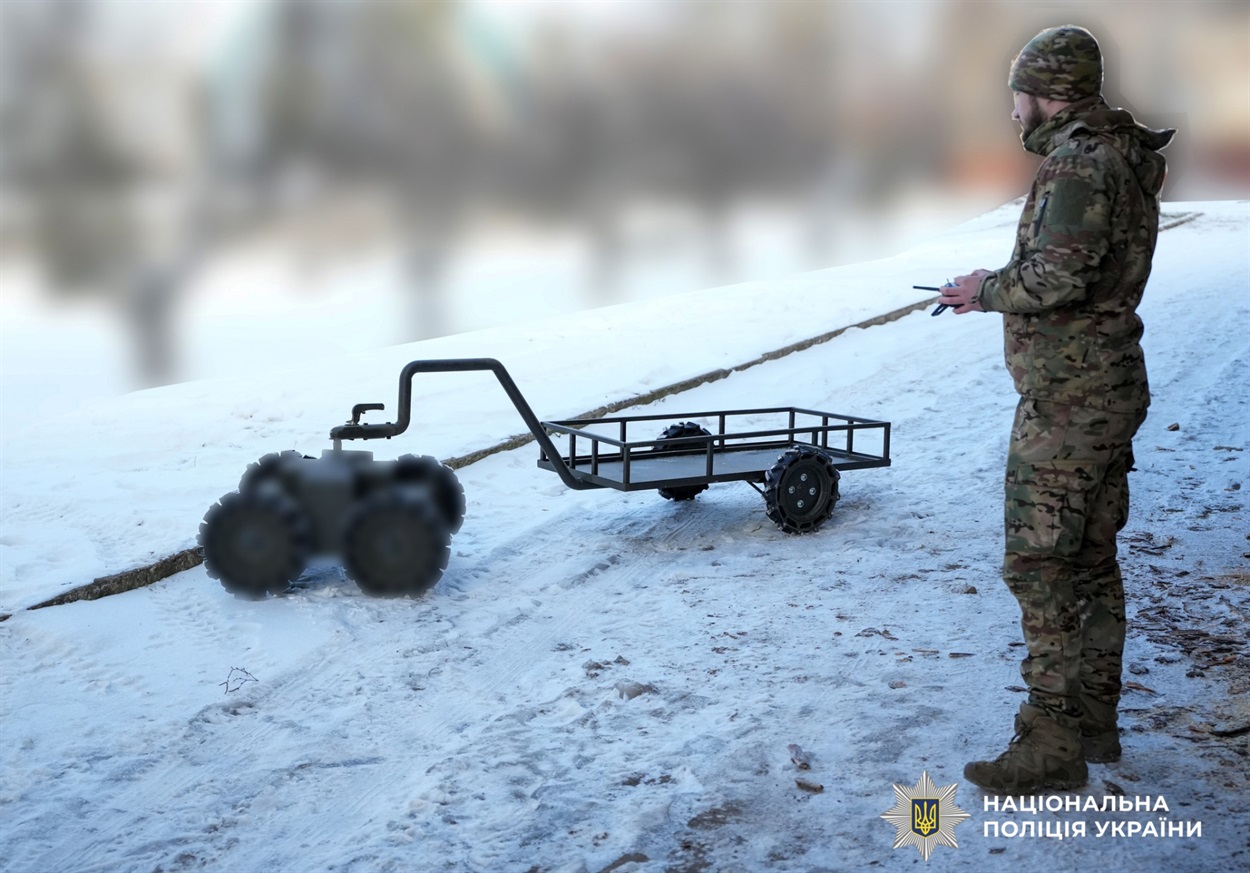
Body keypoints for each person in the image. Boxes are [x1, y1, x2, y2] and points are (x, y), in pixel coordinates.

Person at [937, 25, 1175, 793]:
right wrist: (1005, 279)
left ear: (1047, 91)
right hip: (1106, 389)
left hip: (1071, 404)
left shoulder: (1079, 162)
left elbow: (1060, 277)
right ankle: (1093, 722)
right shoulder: (1117, 155)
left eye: (1018, 95)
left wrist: (986, 291)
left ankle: (1049, 744)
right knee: (1091, 561)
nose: (1013, 113)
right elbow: (1076, 264)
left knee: (1039, 565)